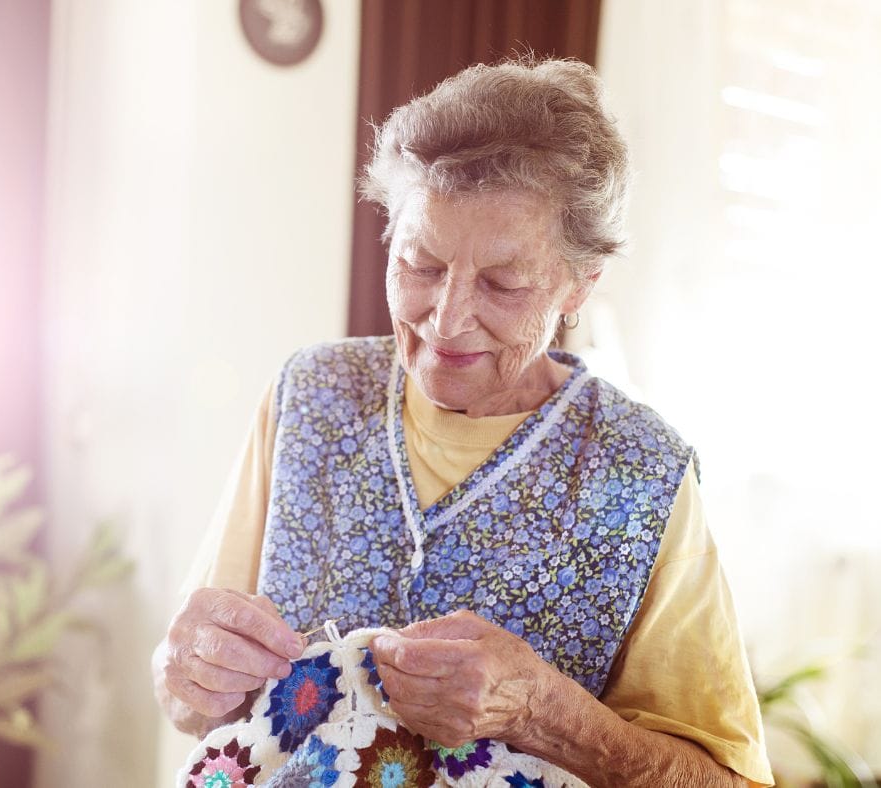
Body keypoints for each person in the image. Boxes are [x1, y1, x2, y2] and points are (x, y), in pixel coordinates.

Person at [153, 58, 773, 787]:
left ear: (580, 284)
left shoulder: (642, 474)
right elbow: (189, 701)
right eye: (421, 264)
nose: (446, 318)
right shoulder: (310, 395)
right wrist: (183, 668)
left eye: (503, 283)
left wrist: (542, 710)